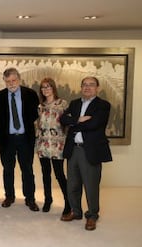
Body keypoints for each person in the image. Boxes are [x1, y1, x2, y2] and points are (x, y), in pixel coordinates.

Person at [60, 76, 112, 231]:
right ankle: (76, 212)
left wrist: (74, 122)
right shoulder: (75, 103)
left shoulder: (103, 105)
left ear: (97, 88)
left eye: (91, 85)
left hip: (90, 150)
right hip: (73, 149)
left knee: (91, 186)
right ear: (81, 87)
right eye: (85, 85)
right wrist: (80, 119)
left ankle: (92, 216)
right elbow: (63, 119)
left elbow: (95, 124)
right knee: (73, 185)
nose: (87, 87)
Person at [0, 67, 40, 211]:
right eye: (8, 81)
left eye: (13, 80)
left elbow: (34, 115)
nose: (11, 84)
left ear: (19, 79)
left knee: (27, 169)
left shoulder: (30, 94)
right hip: (7, 139)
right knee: (8, 169)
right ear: (4, 82)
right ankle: (9, 196)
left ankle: (30, 199)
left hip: (25, 138)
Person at [36, 78, 70, 215]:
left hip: (57, 145)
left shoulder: (63, 104)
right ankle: (48, 200)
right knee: (45, 174)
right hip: (43, 144)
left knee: (59, 174)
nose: (45, 89)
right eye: (43, 87)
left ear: (53, 88)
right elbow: (38, 124)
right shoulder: (40, 106)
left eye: (48, 87)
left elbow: (68, 122)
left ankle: (68, 203)